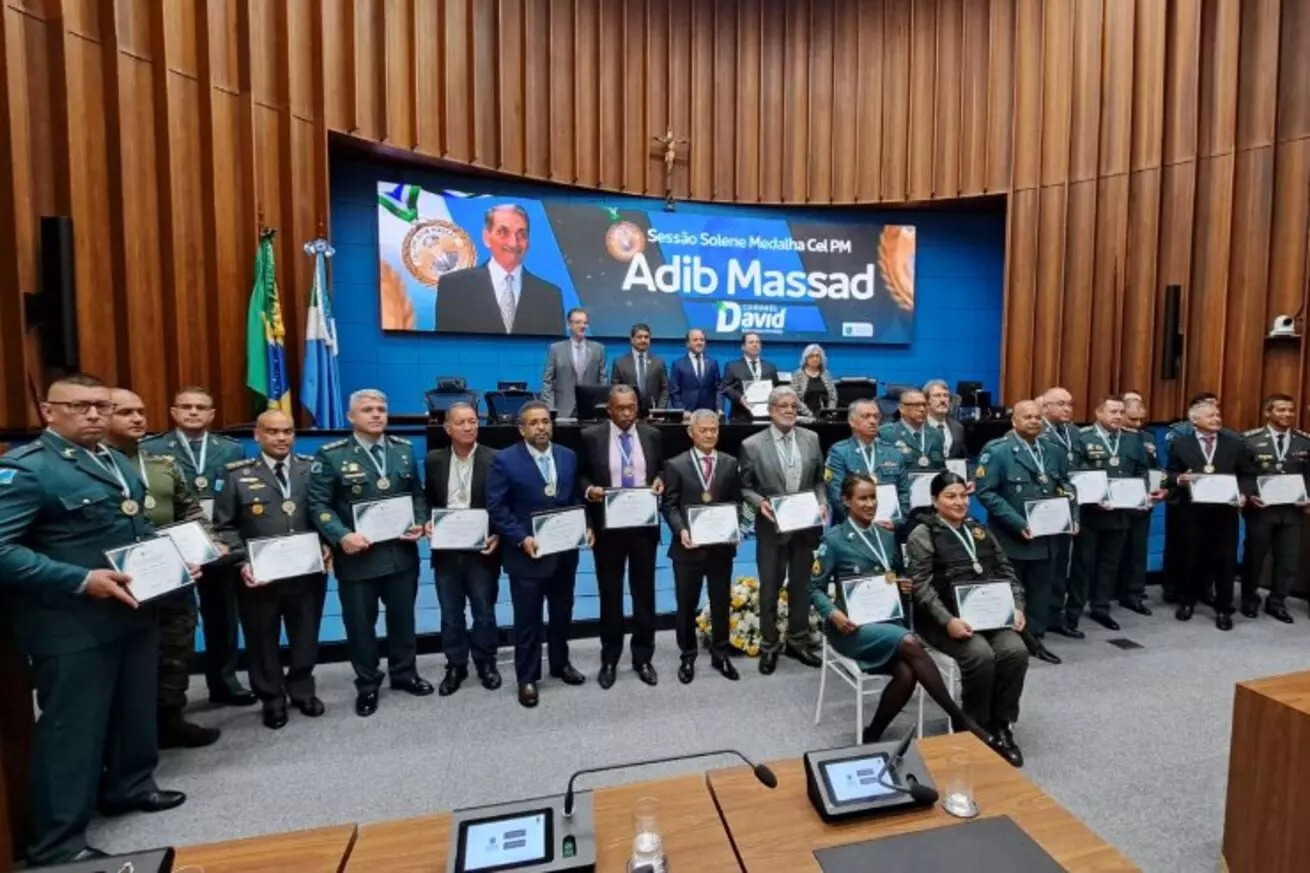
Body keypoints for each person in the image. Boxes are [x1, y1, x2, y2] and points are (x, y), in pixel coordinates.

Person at [0, 375, 185, 865]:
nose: (94, 415)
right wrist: (81, 580)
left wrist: (178, 558)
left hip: (131, 608)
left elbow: (134, 525)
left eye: (102, 406)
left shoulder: (115, 460)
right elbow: (2, 550)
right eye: (80, 406)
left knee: (134, 709)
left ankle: (130, 785)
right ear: (48, 410)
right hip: (73, 621)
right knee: (71, 731)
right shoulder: (29, 469)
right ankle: (57, 844)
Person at [813, 474, 1007, 759]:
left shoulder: (887, 536)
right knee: (909, 642)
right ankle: (964, 720)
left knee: (906, 674)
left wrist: (903, 583)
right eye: (862, 498)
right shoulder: (834, 540)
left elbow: (896, 575)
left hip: (888, 622)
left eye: (873, 498)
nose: (869, 504)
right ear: (846, 501)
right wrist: (834, 614)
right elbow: (814, 588)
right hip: (852, 629)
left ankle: (873, 733)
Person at [106, 388, 221, 748]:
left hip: (173, 577)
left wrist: (208, 543)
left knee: (175, 651)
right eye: (125, 412)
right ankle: (129, 734)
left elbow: (190, 512)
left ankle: (170, 718)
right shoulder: (95, 465)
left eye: (140, 411)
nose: (138, 418)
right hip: (123, 582)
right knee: (128, 660)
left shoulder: (162, 463)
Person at [308, 389, 433, 716]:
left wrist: (419, 522)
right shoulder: (331, 455)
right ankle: (367, 684)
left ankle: (404, 673)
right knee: (361, 626)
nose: (376, 414)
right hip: (358, 559)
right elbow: (318, 505)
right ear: (351, 417)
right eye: (367, 410)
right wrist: (341, 536)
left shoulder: (403, 451)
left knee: (403, 620)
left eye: (381, 408)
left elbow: (416, 496)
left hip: (400, 554)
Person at [213, 410, 329, 729]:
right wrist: (241, 561)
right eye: (273, 431)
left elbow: (325, 512)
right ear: (257, 435)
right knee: (262, 638)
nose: (281, 438)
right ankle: (272, 698)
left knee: (305, 633)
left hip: (306, 571)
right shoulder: (236, 474)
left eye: (287, 431)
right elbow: (223, 526)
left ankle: (303, 690)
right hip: (259, 576)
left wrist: (328, 543)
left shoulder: (312, 469)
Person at [906, 472, 1028, 767]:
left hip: (990, 615)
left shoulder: (979, 529)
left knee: (1016, 651)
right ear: (935, 501)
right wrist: (947, 620)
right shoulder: (923, 534)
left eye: (963, 495)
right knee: (980, 655)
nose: (960, 502)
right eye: (951, 496)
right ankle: (973, 726)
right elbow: (920, 586)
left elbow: (1006, 570)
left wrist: (1018, 606)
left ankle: (1002, 724)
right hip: (942, 620)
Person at [141, 386, 254, 706]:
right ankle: (167, 692)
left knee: (223, 615)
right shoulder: (151, 447)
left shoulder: (229, 449)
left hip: (218, 542)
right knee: (171, 618)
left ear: (212, 415)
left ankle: (224, 681)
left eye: (201, 407)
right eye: (186, 406)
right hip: (172, 545)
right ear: (174, 412)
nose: (193, 412)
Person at [486, 400, 593, 707]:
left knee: (562, 613)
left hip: (563, 552)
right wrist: (521, 538)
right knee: (528, 620)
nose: (542, 427)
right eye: (534, 423)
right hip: (527, 555)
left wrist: (584, 523)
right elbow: (497, 507)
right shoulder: (505, 461)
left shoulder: (567, 456)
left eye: (545, 421)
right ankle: (527, 678)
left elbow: (572, 497)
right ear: (522, 429)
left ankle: (560, 665)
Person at [973, 400, 1077, 664]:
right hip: (1013, 536)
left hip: (1048, 535)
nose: (1034, 421)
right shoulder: (998, 451)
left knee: (1042, 589)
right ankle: (1009, 641)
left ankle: (1036, 637)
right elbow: (986, 492)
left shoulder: (1053, 450)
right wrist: (1018, 522)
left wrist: (1071, 517)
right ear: (1014, 421)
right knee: (1012, 589)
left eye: (1037, 417)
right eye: (1027, 417)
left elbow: (1065, 485)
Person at [579, 386, 665, 688]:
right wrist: (590, 490)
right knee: (610, 595)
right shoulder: (591, 437)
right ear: (609, 410)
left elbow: (662, 470)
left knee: (645, 594)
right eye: (621, 408)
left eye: (632, 407)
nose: (627, 413)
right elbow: (581, 475)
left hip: (643, 527)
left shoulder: (652, 435)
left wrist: (659, 481)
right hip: (608, 529)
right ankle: (610, 658)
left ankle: (643, 657)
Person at [740, 386, 827, 673]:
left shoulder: (812, 439)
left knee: (802, 587)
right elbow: (744, 487)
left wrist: (823, 502)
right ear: (770, 410)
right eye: (782, 406)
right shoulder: (751, 445)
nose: (790, 411)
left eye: (793, 405)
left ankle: (798, 641)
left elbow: (819, 481)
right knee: (769, 589)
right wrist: (760, 502)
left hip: (805, 527)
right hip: (772, 528)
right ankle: (769, 646)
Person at [423, 402, 502, 694]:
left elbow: (503, 503)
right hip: (446, 550)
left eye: (472, 421)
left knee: (484, 610)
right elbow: (427, 499)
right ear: (447, 428)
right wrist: (426, 522)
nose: (468, 427)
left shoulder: (495, 459)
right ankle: (456, 664)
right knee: (450, 612)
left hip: (483, 549)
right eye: (461, 422)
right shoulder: (434, 460)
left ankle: (486, 661)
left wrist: (498, 534)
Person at [661, 409, 742, 683]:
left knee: (721, 602)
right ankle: (687, 656)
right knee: (686, 604)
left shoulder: (730, 463)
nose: (709, 435)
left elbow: (736, 502)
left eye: (714, 430)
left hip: (721, 548)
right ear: (691, 432)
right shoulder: (675, 464)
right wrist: (680, 529)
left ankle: (721, 654)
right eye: (704, 430)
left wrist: (735, 526)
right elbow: (669, 504)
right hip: (688, 548)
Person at [1067, 395, 1158, 631]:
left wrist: (1142, 495)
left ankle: (1101, 608)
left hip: (1120, 513)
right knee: (1083, 564)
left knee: (1110, 563)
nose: (1118, 416)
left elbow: (1142, 470)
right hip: (1091, 513)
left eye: (1120, 412)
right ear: (1099, 413)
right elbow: (1075, 473)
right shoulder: (1083, 437)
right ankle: (1073, 611)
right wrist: (1093, 496)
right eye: (1112, 412)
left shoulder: (1132, 440)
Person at [1165, 398, 1245, 630]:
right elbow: (1169, 473)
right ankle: (1187, 602)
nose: (1216, 418)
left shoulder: (1234, 444)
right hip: (1192, 512)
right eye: (1210, 415)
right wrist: (1178, 479)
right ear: (1194, 420)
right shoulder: (1180, 444)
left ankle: (1223, 608)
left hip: (1224, 513)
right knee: (1190, 557)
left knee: (1225, 561)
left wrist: (1244, 494)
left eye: (1217, 414)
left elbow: (1247, 475)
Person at [436, 204, 564, 335]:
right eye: (503, 232)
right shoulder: (454, 287)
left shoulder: (550, 296)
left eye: (522, 234)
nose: (513, 243)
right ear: (486, 237)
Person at [1238, 394, 1310, 623]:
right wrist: (1250, 494)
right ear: (1268, 413)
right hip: (1262, 510)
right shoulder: (1249, 440)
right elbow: (1242, 473)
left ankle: (1277, 602)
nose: (1287, 414)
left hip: (1292, 510)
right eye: (1281, 410)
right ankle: (1249, 600)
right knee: (1254, 557)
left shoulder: (1304, 441)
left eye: (1290, 410)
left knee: (1288, 560)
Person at [1037, 386, 1080, 641]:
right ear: (1045, 407)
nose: (1067, 408)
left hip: (1065, 506)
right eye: (1061, 403)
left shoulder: (1074, 432)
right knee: (1042, 568)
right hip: (1042, 510)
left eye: (1069, 404)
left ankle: (1055, 616)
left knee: (1062, 564)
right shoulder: (1036, 431)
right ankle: (1035, 620)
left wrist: (1074, 515)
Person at [824, 399, 908, 524]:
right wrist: (860, 522)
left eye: (876, 416)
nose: (873, 421)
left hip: (888, 526)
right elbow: (836, 496)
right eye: (866, 416)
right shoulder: (839, 452)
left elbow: (904, 493)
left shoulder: (893, 453)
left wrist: (896, 522)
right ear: (852, 421)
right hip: (852, 527)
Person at [1117, 399, 1157, 615]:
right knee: (1111, 552)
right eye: (1133, 419)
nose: (1138, 423)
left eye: (1142, 419)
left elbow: (1153, 469)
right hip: (1115, 503)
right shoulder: (1114, 437)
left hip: (1141, 501)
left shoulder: (1148, 438)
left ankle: (1134, 593)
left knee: (1138, 550)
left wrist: (1159, 488)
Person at [541, 307, 607, 418]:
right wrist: (550, 409)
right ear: (569, 325)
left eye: (585, 323)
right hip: (563, 409)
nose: (582, 326)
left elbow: (603, 381)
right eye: (578, 322)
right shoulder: (556, 349)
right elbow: (547, 381)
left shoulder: (598, 349)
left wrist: (601, 409)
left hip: (590, 410)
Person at [879, 389, 946, 471]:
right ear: (901, 408)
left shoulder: (936, 435)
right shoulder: (886, 434)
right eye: (916, 405)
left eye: (924, 405)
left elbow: (942, 469)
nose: (922, 409)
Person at [610, 322, 669, 413]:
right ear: (632, 339)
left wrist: (659, 411)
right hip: (628, 413)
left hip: (653, 414)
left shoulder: (659, 362)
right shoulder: (620, 363)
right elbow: (615, 390)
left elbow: (665, 389)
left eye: (646, 337)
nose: (643, 340)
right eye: (639, 337)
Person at [721, 332, 779, 421]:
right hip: (741, 416)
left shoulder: (770, 366)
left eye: (757, 342)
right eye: (751, 342)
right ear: (743, 347)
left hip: (766, 416)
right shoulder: (732, 366)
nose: (755, 345)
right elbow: (724, 387)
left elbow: (776, 388)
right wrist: (739, 398)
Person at [668, 328, 721, 413]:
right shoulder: (678, 364)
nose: (699, 342)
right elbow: (674, 391)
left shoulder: (713, 363)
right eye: (695, 340)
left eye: (702, 340)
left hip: (708, 413)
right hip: (686, 413)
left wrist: (719, 408)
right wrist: (681, 410)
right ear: (687, 343)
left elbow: (718, 389)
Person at [924, 379, 967, 460]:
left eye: (946, 395)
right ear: (927, 400)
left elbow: (962, 459)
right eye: (937, 396)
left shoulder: (958, 428)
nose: (943, 400)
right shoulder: (918, 426)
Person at [791, 343, 837, 418]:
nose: (815, 359)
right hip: (804, 417)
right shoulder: (797, 375)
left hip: (825, 416)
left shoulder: (826, 374)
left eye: (817, 356)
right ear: (806, 358)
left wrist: (830, 412)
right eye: (811, 356)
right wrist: (809, 414)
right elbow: (794, 398)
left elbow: (833, 397)